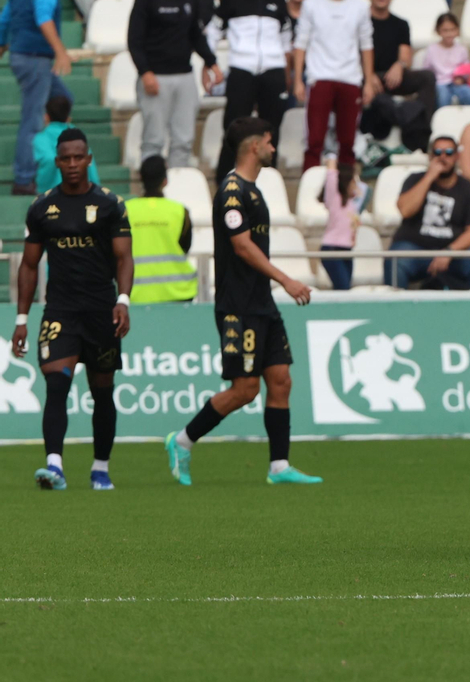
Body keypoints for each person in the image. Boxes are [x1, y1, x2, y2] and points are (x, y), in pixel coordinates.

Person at [164, 118, 320, 488]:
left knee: (281, 380)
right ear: (254, 146)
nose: (273, 147)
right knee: (245, 389)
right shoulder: (232, 191)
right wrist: (286, 279)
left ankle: (279, 466)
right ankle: (182, 441)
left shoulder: (253, 189)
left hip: (261, 303)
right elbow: (242, 245)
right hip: (238, 306)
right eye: (269, 141)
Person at [14, 129, 132, 491]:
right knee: (56, 384)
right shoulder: (41, 207)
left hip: (100, 310)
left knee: (102, 391)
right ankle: (54, 466)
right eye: (65, 158)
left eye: (78, 157)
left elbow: (124, 257)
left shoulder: (111, 204)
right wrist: (22, 318)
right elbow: (30, 265)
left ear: (89, 158)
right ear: (57, 161)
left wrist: (123, 300)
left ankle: (100, 468)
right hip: (60, 310)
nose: (72, 164)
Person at [129, 0, 222, 166]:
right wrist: (145, 72)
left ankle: (176, 192)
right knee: (154, 140)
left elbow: (196, 35)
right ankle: (152, 192)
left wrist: (212, 62)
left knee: (184, 140)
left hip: (185, 77)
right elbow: (134, 41)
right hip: (155, 78)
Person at [1, 0, 74, 196]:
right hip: (34, 58)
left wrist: (2, 47)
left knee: (63, 99)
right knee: (32, 119)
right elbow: (43, 17)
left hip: (24, 56)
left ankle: (59, 165)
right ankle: (24, 179)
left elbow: (6, 17)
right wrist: (60, 51)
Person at [210, 0, 290, 170]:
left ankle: (269, 178)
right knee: (234, 127)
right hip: (242, 69)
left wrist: (286, 72)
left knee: (272, 129)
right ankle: (225, 179)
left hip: (273, 70)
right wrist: (211, 64)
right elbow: (213, 32)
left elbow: (286, 40)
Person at [292, 0, 375, 166]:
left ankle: (345, 191)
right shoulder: (311, 5)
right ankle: (308, 191)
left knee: (347, 142)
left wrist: (368, 81)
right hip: (320, 77)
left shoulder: (359, 6)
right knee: (314, 140)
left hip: (350, 78)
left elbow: (366, 45)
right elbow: (300, 43)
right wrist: (298, 80)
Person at [387, 135, 470, 289]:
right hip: (416, 249)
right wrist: (429, 177)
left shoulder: (468, 189)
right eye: (438, 152)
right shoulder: (414, 179)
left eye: (449, 152)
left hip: (454, 253)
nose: (443, 157)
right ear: (430, 157)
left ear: (456, 157)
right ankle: (393, 310)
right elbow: (405, 211)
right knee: (397, 258)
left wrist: (449, 252)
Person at [363, 0, 437, 151]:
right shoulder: (360, 21)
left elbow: (405, 56)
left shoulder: (400, 24)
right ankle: (411, 117)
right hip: (367, 78)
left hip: (392, 77)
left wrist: (399, 65)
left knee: (427, 77)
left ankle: (425, 131)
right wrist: (368, 75)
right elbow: (351, 54)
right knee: (378, 99)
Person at [126, 154, 196, 303]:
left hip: (135, 295)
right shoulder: (180, 211)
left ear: (140, 178)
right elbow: (185, 248)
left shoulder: (125, 211)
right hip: (178, 293)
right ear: (165, 181)